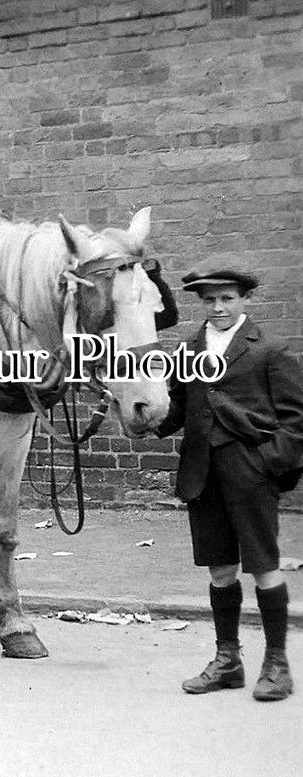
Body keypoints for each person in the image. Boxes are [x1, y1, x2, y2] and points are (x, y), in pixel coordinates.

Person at [156, 254, 303, 701]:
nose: (218, 307)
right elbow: (178, 408)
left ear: (244, 298)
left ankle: (276, 662)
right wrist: (147, 418)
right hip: (203, 474)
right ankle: (228, 660)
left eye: (227, 298)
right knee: (221, 569)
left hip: (250, 475)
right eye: (210, 300)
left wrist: (267, 464)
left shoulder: (267, 349)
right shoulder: (189, 350)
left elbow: (296, 420)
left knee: (263, 566)